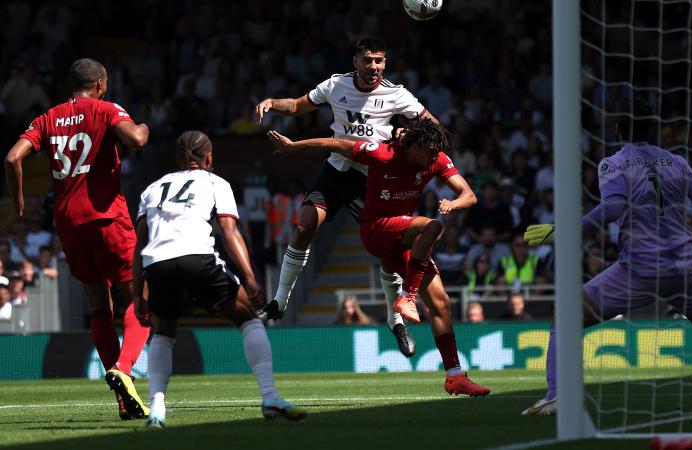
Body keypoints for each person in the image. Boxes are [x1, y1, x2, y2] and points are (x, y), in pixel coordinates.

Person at [520, 98, 692, 415]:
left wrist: (564, 230)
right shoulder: (676, 162)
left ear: (618, 129)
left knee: (565, 316)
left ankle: (556, 394)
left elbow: (614, 208)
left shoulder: (614, 163)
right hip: (685, 270)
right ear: (656, 131)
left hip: (639, 270)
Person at [268, 120, 490, 397]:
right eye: (430, 152)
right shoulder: (382, 153)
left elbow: (468, 194)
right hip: (376, 229)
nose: (434, 158)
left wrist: (453, 204)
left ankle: (454, 376)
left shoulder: (434, 160)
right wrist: (293, 147)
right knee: (434, 227)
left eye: (436, 153)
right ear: (414, 146)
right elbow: (335, 144)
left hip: (404, 236)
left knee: (441, 302)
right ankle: (407, 296)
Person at [255, 36, 438, 358]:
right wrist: (273, 102)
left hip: (375, 176)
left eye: (379, 61)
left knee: (387, 251)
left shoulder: (396, 94)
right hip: (338, 168)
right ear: (355, 61)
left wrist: (409, 133)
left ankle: (396, 321)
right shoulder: (335, 85)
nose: (374, 67)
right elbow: (297, 105)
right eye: (368, 60)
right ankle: (279, 303)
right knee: (305, 225)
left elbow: (432, 125)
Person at [4, 58, 151, 420]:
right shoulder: (105, 109)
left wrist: (20, 206)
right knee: (140, 300)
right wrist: (144, 127)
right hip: (107, 218)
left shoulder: (48, 118)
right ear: (100, 83)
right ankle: (125, 369)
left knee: (100, 306)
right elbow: (135, 139)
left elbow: (12, 158)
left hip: (69, 223)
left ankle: (121, 399)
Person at [133, 131, 306, 428]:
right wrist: (250, 277)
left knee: (163, 332)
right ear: (210, 158)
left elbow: (139, 245)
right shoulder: (216, 183)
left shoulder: (152, 189)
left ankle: (157, 409)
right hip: (197, 258)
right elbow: (229, 232)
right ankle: (270, 396)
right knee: (249, 318)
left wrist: (137, 294)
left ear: (177, 159)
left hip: (157, 265)